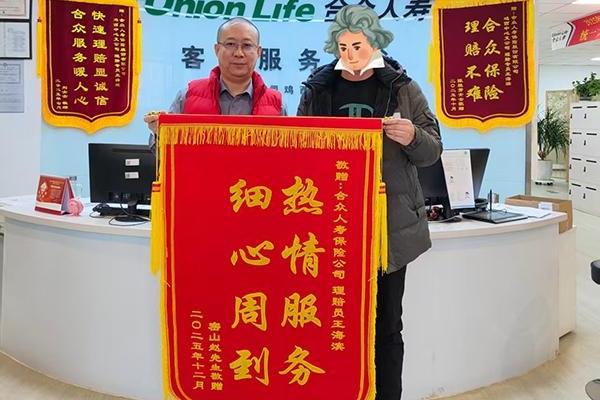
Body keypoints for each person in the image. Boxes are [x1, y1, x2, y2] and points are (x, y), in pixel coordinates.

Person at [297, 5, 442, 400]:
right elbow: (297, 152)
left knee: (386, 328)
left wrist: (412, 136)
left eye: (358, 45)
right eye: (344, 46)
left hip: (387, 229)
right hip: (329, 229)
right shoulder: (317, 89)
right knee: (330, 325)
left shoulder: (404, 88)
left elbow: (432, 151)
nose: (351, 54)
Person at [145, 17, 283, 151]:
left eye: (247, 45)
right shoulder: (187, 95)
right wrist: (159, 132)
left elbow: (286, 156)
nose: (239, 53)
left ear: (259, 52)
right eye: (230, 44)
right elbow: (163, 154)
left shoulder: (277, 104)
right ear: (217, 49)